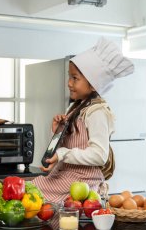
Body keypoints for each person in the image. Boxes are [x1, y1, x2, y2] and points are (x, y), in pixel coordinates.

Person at [32, 38, 134, 203]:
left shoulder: (98, 112)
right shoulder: (75, 108)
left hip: (82, 182)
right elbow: (69, 148)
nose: (69, 83)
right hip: (65, 175)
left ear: (93, 84)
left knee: (36, 200)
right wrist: (57, 132)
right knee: (29, 192)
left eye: (75, 78)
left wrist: (62, 154)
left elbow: (99, 155)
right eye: (69, 77)